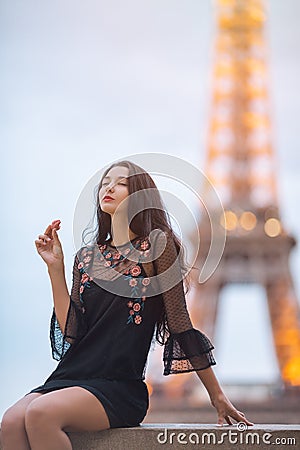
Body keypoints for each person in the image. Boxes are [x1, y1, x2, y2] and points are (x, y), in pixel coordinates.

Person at [0, 160, 253, 450]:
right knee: (10, 421)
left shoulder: (157, 245)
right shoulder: (87, 257)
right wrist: (54, 269)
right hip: (73, 376)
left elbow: (180, 323)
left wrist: (216, 396)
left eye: (121, 182)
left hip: (118, 385)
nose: (109, 186)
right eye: (106, 181)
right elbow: (72, 331)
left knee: (41, 413)